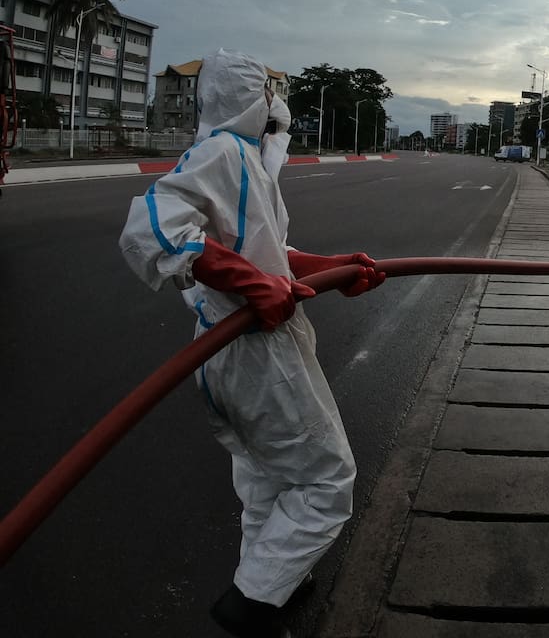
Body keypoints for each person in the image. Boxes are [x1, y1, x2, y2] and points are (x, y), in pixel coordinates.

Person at [118, 50, 385, 638]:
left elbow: (267, 253)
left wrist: (334, 266)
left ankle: (275, 578)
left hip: (230, 351)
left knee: (267, 475)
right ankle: (253, 602)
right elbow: (152, 227)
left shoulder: (245, 159)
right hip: (255, 349)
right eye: (266, 92)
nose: (273, 103)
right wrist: (251, 284)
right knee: (326, 481)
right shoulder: (221, 153)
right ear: (248, 99)